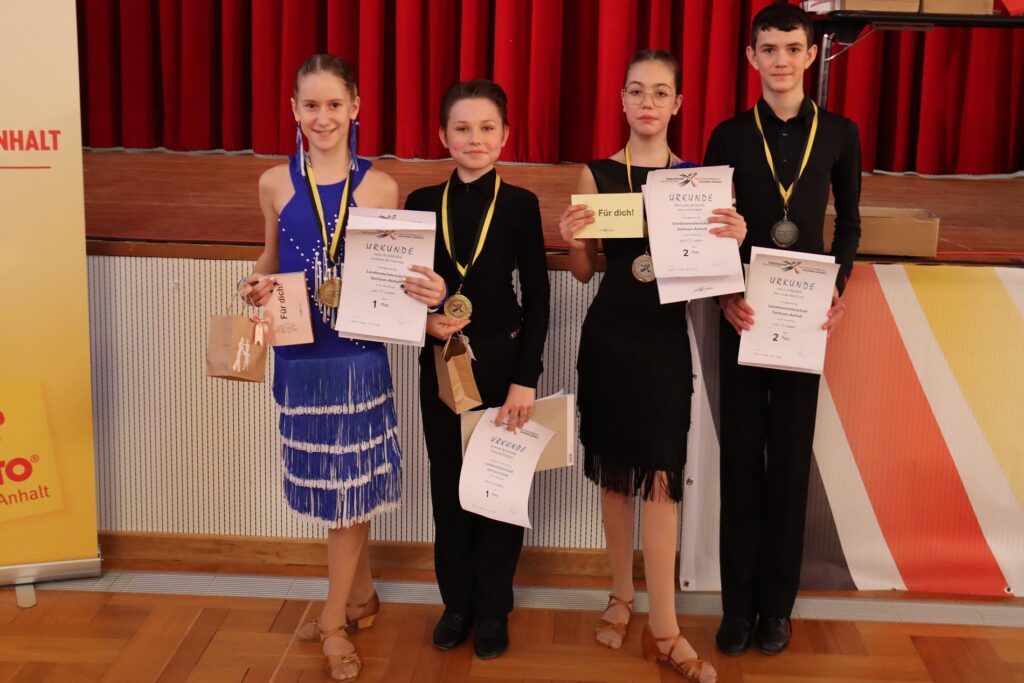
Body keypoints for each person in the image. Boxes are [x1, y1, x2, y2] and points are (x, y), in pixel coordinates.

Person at [239, 54, 446, 681]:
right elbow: (270, 259)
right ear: (294, 110)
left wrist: (425, 301)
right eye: (311, 105)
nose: (322, 117)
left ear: (355, 107)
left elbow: (392, 275)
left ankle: (332, 621)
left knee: (347, 492)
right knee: (331, 487)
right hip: (299, 356)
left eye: (334, 104)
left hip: (356, 357)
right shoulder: (274, 182)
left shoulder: (381, 187)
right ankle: (361, 598)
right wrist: (253, 285)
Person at [559, 50, 745, 683]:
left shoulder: (698, 182)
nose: (647, 102)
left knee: (662, 481)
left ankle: (664, 627)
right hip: (609, 340)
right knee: (616, 477)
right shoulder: (596, 173)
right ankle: (620, 595)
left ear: (678, 104)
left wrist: (732, 241)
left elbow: (710, 281)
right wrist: (572, 241)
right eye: (636, 91)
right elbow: (585, 273)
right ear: (621, 100)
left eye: (660, 92)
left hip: (665, 344)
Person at [704, 2, 861, 657]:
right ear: (751, 57)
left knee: (790, 466)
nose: (781, 60)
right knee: (741, 465)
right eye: (768, 49)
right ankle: (736, 609)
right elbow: (710, 228)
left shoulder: (841, 133)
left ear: (811, 54)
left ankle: (777, 609)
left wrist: (838, 286)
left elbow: (849, 223)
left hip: (803, 323)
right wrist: (724, 294)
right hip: (744, 317)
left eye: (792, 48)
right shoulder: (728, 135)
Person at [404, 79, 550, 660]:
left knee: (498, 489)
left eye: (487, 128)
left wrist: (525, 378)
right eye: (462, 128)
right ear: (443, 135)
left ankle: (493, 608)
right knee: (449, 486)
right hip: (441, 365)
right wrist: (426, 322)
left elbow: (538, 298)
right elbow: (399, 291)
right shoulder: (420, 203)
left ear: (505, 135)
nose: (475, 138)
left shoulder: (519, 204)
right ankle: (457, 604)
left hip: (502, 368)